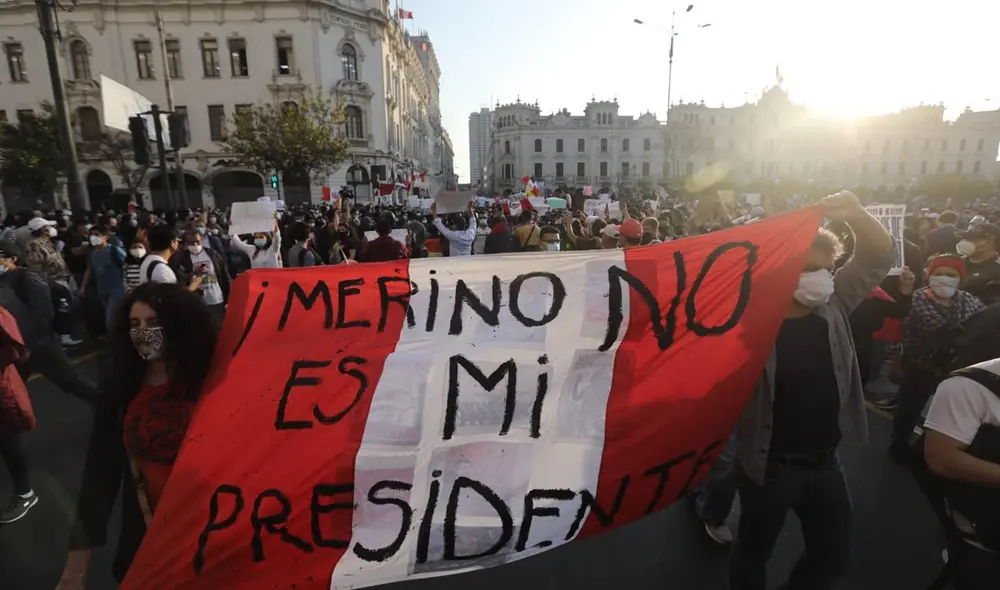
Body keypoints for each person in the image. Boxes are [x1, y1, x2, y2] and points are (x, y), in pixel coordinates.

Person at [730, 191, 894, 590]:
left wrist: (856, 213)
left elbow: (876, 257)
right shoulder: (746, 325)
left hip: (826, 465)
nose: (820, 278)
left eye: (826, 268)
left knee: (833, 557)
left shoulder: (833, 307)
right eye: (808, 269)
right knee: (753, 553)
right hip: (768, 469)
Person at [55, 282, 218, 588]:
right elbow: (99, 474)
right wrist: (75, 568)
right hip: (152, 534)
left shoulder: (215, 375)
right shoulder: (122, 387)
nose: (143, 332)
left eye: (154, 323)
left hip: (215, 528)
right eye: (134, 324)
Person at [169, 228, 230, 320]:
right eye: (190, 242)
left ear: (202, 239)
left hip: (216, 300)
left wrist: (229, 297)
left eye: (197, 241)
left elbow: (224, 275)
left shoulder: (212, 254)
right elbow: (179, 278)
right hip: (197, 303)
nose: (195, 245)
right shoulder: (181, 259)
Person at [78, 225, 127, 333]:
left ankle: (113, 341)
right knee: (113, 317)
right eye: (91, 235)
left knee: (110, 319)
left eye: (97, 235)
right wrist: (83, 287)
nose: (93, 237)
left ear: (105, 237)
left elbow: (127, 264)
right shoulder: (93, 253)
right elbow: (89, 270)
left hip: (117, 290)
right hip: (102, 290)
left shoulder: (114, 250)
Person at [955, 222, 1000, 305]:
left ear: (989, 242)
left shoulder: (996, 272)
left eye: (971, 239)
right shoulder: (957, 262)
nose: (964, 242)